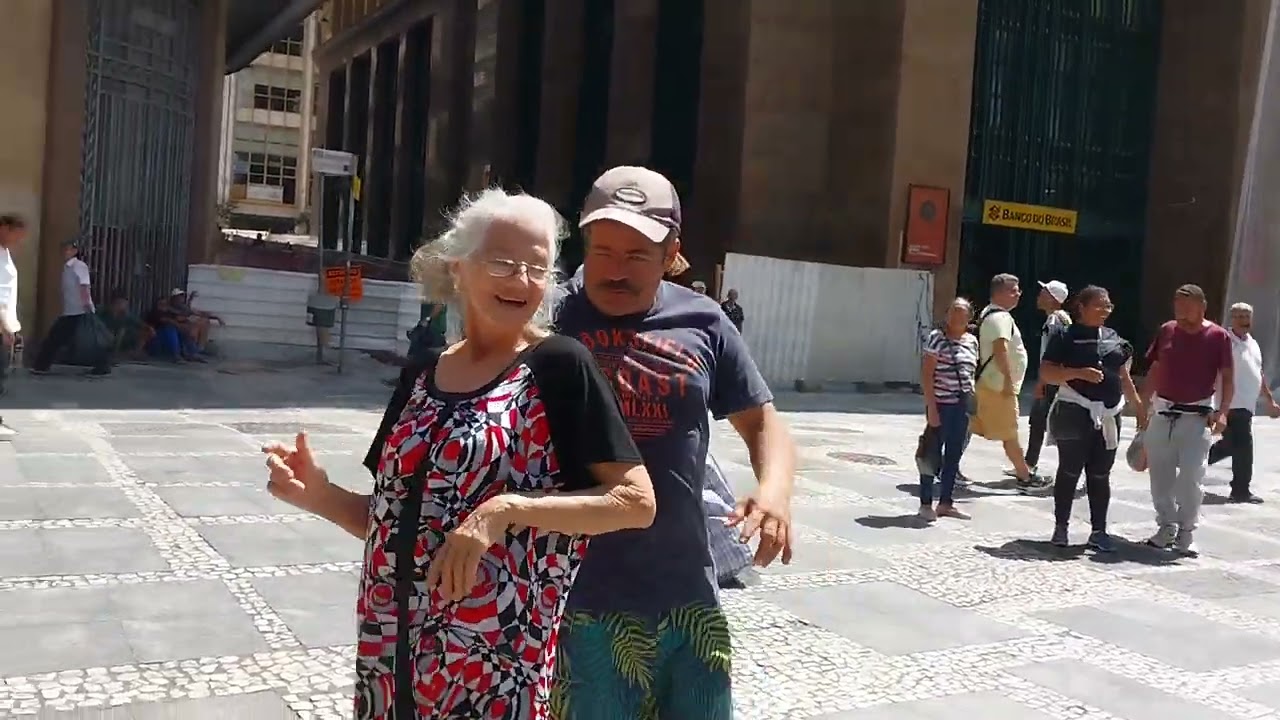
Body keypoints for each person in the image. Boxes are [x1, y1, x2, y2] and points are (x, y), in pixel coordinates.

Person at [262, 188, 657, 718]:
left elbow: (635, 502)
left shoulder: (558, 366)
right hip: (389, 666)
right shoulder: (421, 374)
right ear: (459, 267)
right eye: (502, 262)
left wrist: (504, 511)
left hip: (494, 679)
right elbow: (397, 525)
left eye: (537, 268)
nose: (521, 281)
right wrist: (320, 494)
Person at [553, 166, 796, 718]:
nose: (615, 269)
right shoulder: (550, 316)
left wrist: (774, 492)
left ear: (672, 253)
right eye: (603, 249)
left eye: (637, 254)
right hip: (576, 599)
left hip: (687, 594)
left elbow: (763, 423)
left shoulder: (704, 321)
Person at [1039, 286, 1146, 552]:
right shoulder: (1065, 336)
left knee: (1100, 474)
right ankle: (1061, 527)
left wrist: (1138, 405)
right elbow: (1047, 372)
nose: (1105, 310)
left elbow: (1122, 374)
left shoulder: (1113, 338)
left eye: (1108, 305)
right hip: (1075, 411)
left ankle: (1099, 531)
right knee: (1069, 470)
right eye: (1099, 305)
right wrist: (1078, 374)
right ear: (1082, 307)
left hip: (1109, 414)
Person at [1142, 283, 1234, 557]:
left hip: (1196, 416)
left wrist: (1224, 411)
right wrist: (1143, 404)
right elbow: (1156, 367)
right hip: (1163, 411)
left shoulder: (1218, 336)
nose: (1179, 310)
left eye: (1186, 304)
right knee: (1160, 476)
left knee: (1192, 477)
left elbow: (1227, 377)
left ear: (1201, 306)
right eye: (1176, 304)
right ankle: (1166, 525)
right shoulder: (1167, 329)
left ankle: (1186, 532)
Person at [971, 273, 1047, 492]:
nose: (1018, 294)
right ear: (1000, 293)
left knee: (970, 425)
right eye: (1013, 290)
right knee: (1009, 433)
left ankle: (946, 465)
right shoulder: (1000, 318)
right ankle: (1025, 477)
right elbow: (1000, 348)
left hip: (990, 383)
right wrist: (1008, 381)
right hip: (998, 386)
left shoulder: (990, 313)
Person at [1208, 302, 1280, 503]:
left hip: (1246, 404)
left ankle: (1198, 460)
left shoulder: (1252, 343)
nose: (1243, 320)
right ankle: (1240, 490)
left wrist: (1269, 400)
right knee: (1243, 446)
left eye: (1247, 316)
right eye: (1239, 316)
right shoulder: (1223, 340)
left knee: (1234, 444)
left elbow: (1258, 373)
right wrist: (1212, 404)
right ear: (1231, 319)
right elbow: (1211, 371)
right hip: (1228, 403)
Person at [918, 297, 978, 521]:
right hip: (941, 404)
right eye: (953, 311)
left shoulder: (972, 341)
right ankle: (925, 503)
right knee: (930, 453)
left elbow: (970, 373)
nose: (956, 316)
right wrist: (931, 407)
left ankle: (946, 502)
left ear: (969, 317)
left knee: (953, 455)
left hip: (961, 407)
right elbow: (926, 374)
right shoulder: (937, 339)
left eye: (962, 312)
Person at [31, 240, 110, 377]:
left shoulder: (79, 266)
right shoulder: (67, 267)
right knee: (65, 338)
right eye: (64, 249)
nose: (65, 252)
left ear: (75, 251)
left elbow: (84, 285)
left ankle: (41, 366)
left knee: (60, 337)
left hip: (80, 310)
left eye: (69, 249)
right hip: (71, 310)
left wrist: (86, 305)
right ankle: (101, 366)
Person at [1018, 279, 1071, 476]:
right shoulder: (1064, 319)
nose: (1039, 296)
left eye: (1044, 292)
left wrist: (1042, 381)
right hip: (1056, 379)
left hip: (1050, 380)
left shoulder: (1054, 321)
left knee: (1040, 421)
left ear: (1053, 298)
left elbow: (1049, 354)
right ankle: (1029, 463)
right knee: (1042, 422)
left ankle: (1030, 465)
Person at [0, 214, 27, 439]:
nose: (19, 240)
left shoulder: (4, 253)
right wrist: (5, 328)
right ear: (4, 228)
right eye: (17, 234)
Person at [98, 291, 153, 361]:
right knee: (121, 331)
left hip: (121, 339)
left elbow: (140, 323)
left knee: (145, 331)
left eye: (125, 304)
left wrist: (149, 328)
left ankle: (134, 352)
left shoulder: (125, 314)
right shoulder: (103, 312)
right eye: (121, 303)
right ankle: (113, 355)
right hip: (105, 338)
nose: (124, 306)